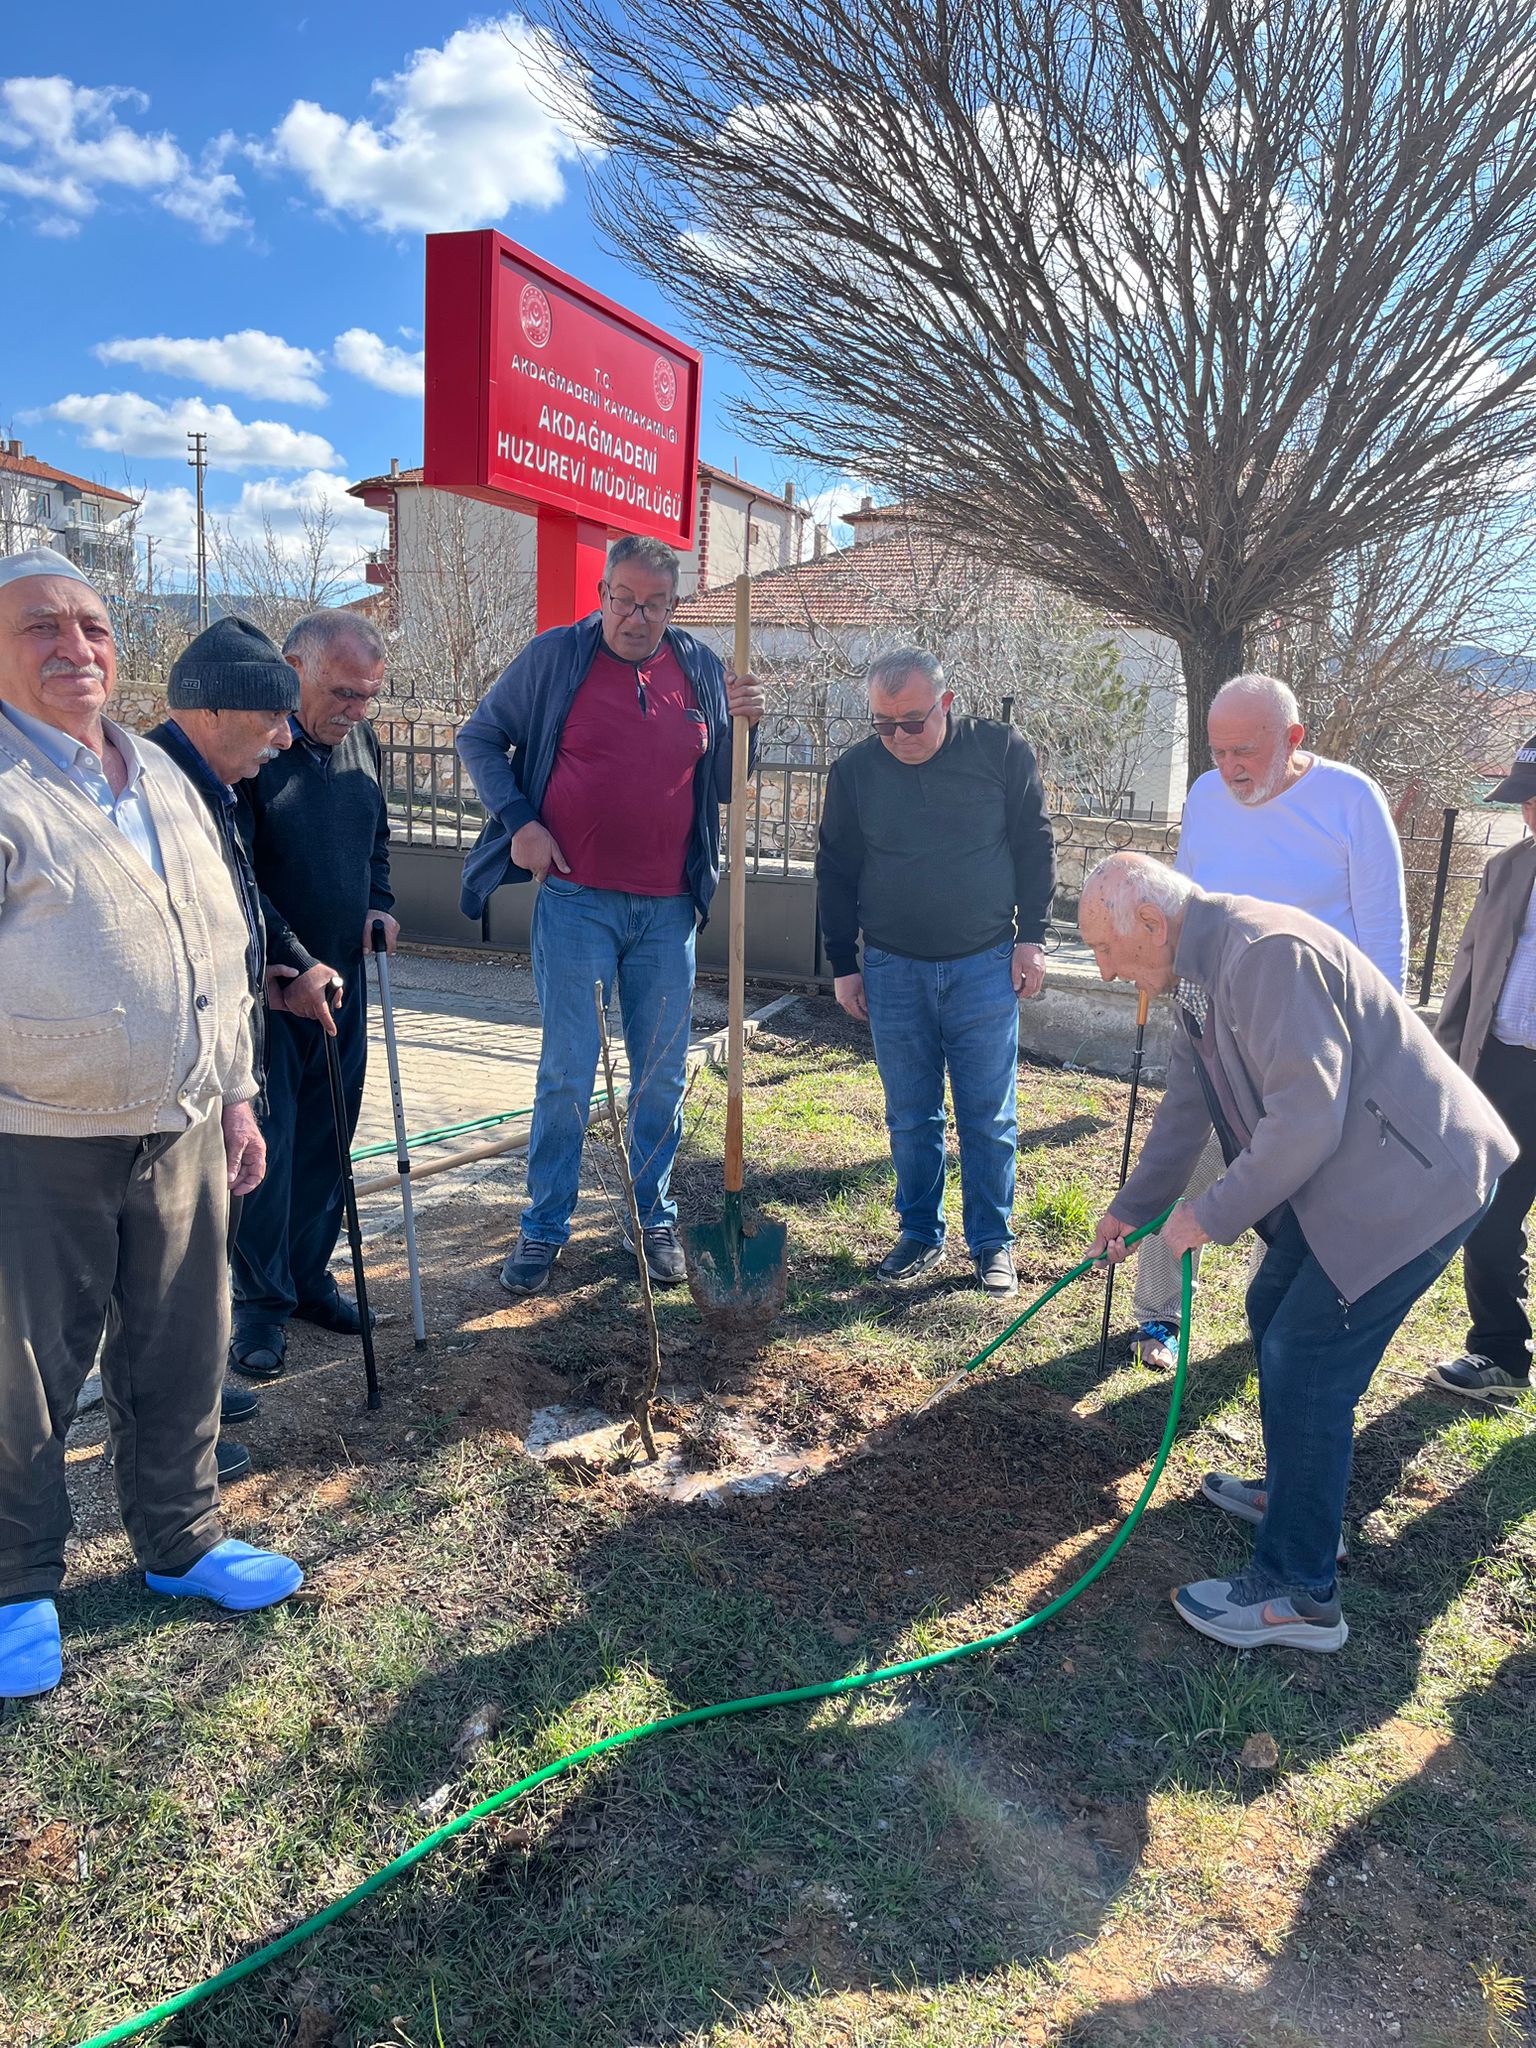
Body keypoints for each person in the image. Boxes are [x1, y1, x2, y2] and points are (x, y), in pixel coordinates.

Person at [0, 548, 302, 1700]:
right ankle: (13, 1580)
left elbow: (218, 940)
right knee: (23, 1369)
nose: (74, 645)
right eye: (40, 625)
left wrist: (236, 1091)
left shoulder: (158, 772)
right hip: (34, 1129)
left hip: (180, 1119)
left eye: (91, 624)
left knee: (182, 1342)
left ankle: (181, 1536)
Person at [1082, 852, 1512, 1654]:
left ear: (1149, 922)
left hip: (1416, 1182)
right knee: (1272, 1306)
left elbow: (1305, 1121)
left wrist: (1207, 1217)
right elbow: (1187, 1108)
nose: (1104, 970)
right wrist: (1133, 1211)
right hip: (1362, 1175)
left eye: (1106, 948)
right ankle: (1295, 1499)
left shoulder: (1264, 956)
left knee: (1306, 1358)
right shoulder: (1198, 973)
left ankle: (1300, 1590)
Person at [456, 534, 764, 1295]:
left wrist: (748, 727)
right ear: (601, 596)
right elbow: (479, 737)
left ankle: (649, 1216)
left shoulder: (699, 669)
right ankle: (544, 1227)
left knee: (660, 1076)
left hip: (668, 910)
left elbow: (726, 784)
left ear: (673, 606)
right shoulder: (556, 658)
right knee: (568, 1072)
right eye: (622, 599)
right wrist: (522, 822)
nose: (635, 616)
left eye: (653, 604)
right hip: (577, 902)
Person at [1130, 672, 1409, 1371]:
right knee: (1187, 1157)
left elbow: (1385, 933)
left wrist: (1380, 1046)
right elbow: (1186, 905)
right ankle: (1159, 1312)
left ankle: (1270, 1319)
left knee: (1289, 1176)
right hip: (1214, 1014)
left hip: (1313, 1033)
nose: (1229, 770)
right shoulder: (1204, 796)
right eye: (1218, 752)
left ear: (1293, 738)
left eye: (1245, 752)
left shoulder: (1351, 799)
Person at [815, 649, 1054, 1295]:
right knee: (910, 1115)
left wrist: (1032, 938)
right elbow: (835, 868)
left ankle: (992, 1244)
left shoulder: (1000, 751)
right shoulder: (856, 771)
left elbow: (1034, 844)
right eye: (882, 724)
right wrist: (843, 963)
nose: (898, 737)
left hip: (985, 965)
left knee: (988, 1116)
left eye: (912, 722)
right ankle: (920, 1232)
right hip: (892, 968)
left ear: (946, 704)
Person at [142, 617, 301, 1475]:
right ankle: (167, 1431)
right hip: (170, 1079)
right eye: (271, 717)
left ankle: (191, 1392)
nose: (285, 736)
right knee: (162, 1274)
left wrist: (282, 961)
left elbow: (234, 910)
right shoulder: (153, 788)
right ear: (209, 711)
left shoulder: (210, 785)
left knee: (201, 1257)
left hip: (218, 1063)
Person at [229, 611, 397, 1380]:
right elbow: (237, 873)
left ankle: (306, 1281)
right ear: (293, 667)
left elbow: (376, 839)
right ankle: (260, 1305)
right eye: (342, 692)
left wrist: (379, 903)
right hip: (271, 994)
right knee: (269, 1152)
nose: (356, 709)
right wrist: (291, 962)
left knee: (330, 1142)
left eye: (368, 695)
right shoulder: (254, 749)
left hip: (344, 982)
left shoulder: (361, 741)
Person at [1427, 730, 1536, 1401]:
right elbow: (1467, 971)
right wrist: (1443, 1064)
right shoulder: (1506, 869)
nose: (1529, 812)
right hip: (1502, 1069)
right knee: (1491, 1213)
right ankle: (1500, 1354)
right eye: (1524, 799)